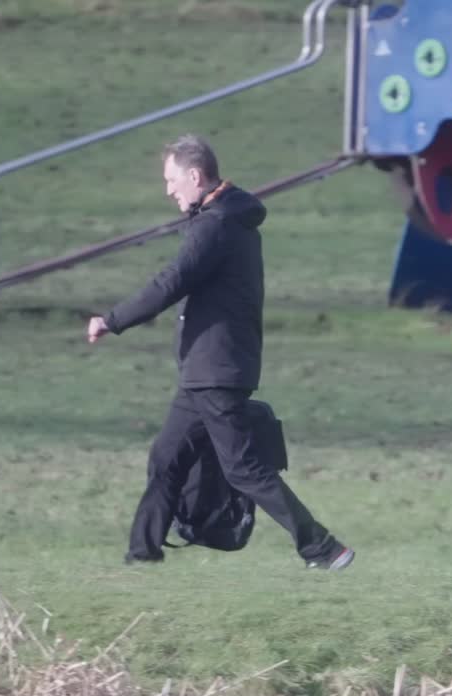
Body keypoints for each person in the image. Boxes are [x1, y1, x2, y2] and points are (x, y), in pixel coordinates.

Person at [87, 133, 354, 571]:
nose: (168, 189)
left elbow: (171, 282)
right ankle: (141, 555)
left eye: (173, 180)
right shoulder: (228, 219)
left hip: (215, 370)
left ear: (195, 175)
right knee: (165, 459)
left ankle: (322, 548)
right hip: (207, 369)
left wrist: (112, 320)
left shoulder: (216, 226)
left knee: (244, 469)